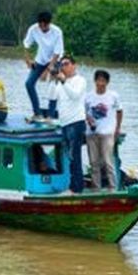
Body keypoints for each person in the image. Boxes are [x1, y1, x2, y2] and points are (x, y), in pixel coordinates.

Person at [84, 69, 123, 190]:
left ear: (107, 82)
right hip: (91, 133)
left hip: (107, 133)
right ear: (95, 81)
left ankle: (112, 187)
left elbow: (119, 111)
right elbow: (83, 112)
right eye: (98, 80)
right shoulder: (88, 97)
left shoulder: (113, 96)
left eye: (103, 81)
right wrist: (89, 120)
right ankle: (96, 188)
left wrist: (117, 128)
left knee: (107, 162)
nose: (100, 83)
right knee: (94, 163)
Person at [54, 55, 88, 194]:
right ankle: (72, 185)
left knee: (75, 157)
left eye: (66, 64)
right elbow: (53, 97)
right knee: (69, 157)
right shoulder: (62, 82)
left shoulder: (80, 80)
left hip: (76, 122)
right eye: (62, 64)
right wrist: (54, 78)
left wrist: (64, 82)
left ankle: (76, 188)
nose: (64, 66)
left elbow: (75, 96)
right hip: (65, 123)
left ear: (74, 65)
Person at [23, 11, 65, 123]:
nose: (42, 28)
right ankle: (37, 113)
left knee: (52, 87)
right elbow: (26, 44)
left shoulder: (57, 32)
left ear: (49, 23)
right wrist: (28, 59)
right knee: (29, 84)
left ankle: (50, 116)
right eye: (40, 25)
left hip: (55, 60)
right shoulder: (33, 29)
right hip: (40, 59)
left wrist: (47, 71)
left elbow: (57, 52)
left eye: (45, 25)